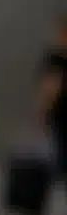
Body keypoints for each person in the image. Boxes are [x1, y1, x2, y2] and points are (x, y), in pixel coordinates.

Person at [37, 16, 67, 175]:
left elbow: (50, 89)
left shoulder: (55, 60)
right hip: (60, 114)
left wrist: (42, 112)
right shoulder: (55, 59)